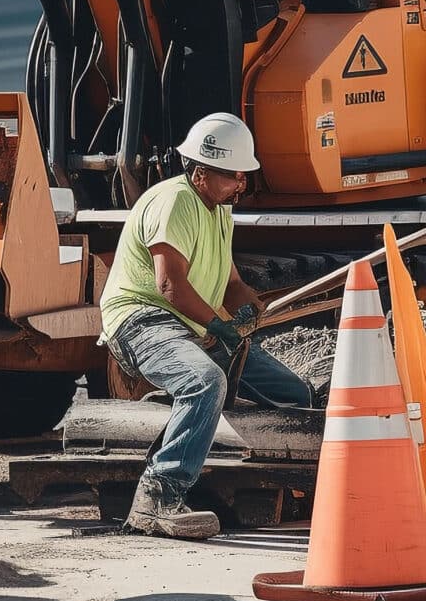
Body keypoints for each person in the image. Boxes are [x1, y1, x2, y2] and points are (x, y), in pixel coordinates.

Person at [100, 112, 312, 540]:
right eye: (234, 175)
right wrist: (221, 326)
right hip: (142, 318)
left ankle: (188, 420)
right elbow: (168, 285)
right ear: (201, 171)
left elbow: (231, 284)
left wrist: (249, 306)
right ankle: (158, 494)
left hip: (190, 328)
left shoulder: (218, 213)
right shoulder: (175, 201)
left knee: (295, 395)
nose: (242, 184)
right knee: (205, 380)